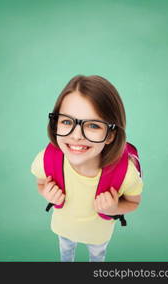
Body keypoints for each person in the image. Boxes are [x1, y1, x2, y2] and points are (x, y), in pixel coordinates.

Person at [31, 75, 143, 262]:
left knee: (97, 256)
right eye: (66, 121)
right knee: (66, 252)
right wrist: (46, 193)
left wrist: (115, 208)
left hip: (97, 235)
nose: (76, 136)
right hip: (64, 228)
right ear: (55, 122)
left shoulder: (126, 174)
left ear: (110, 135)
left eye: (92, 125)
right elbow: (40, 182)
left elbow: (134, 202)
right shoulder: (46, 158)